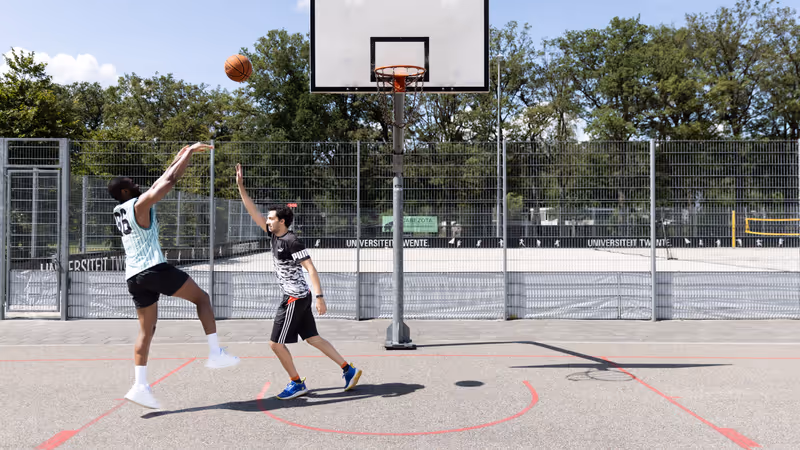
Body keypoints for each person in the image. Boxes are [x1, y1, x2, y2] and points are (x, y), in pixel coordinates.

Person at [107, 142, 240, 409]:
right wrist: (188, 155)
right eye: (132, 183)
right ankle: (215, 352)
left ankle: (139, 385)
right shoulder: (138, 205)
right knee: (202, 298)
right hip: (153, 268)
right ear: (125, 191)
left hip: (133, 277)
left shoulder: (120, 210)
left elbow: (162, 178)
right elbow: (168, 181)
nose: (137, 184)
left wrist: (180, 156)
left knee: (146, 331)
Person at [235, 163, 362, 399]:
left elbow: (311, 269)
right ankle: (348, 369)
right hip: (298, 296)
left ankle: (296, 382)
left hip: (295, 298)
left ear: (282, 221)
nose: (268, 221)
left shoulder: (292, 241)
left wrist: (321, 298)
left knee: (275, 344)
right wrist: (241, 186)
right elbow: (253, 211)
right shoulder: (274, 235)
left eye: (272, 218)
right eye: (269, 219)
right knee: (313, 338)